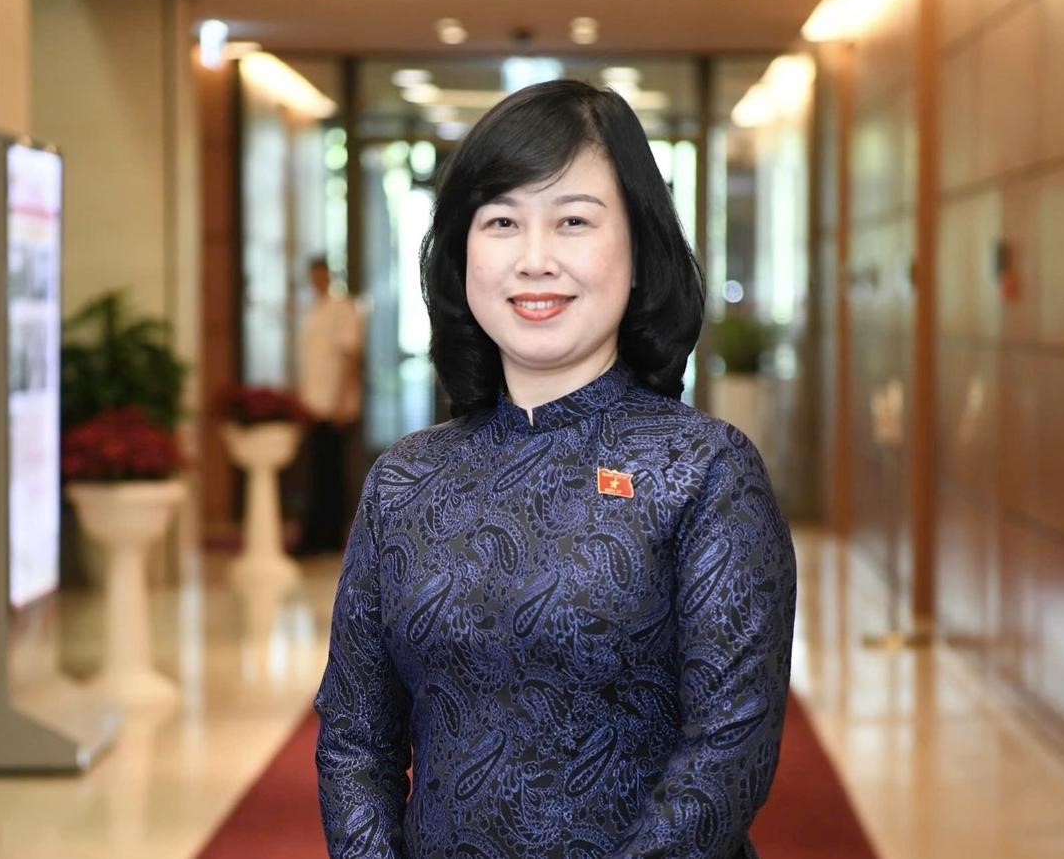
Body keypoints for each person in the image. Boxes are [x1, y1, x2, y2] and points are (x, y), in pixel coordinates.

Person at [315, 80, 796, 858]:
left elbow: (727, 754)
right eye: (502, 221)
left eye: (573, 220)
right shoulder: (404, 480)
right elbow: (353, 740)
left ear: (636, 252)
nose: (534, 260)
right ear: (462, 254)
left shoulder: (703, 471)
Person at [297, 256, 363, 556]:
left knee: (334, 473)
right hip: (315, 404)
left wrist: (341, 401)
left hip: (335, 406)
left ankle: (333, 535)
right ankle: (317, 535)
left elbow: (351, 357)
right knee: (317, 472)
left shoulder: (342, 309)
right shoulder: (314, 311)